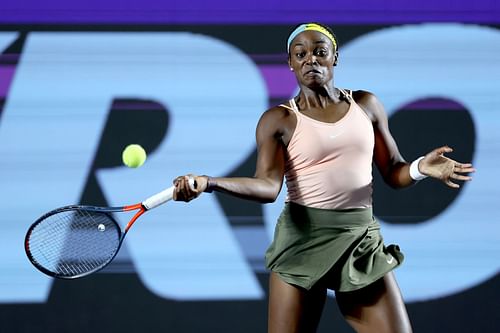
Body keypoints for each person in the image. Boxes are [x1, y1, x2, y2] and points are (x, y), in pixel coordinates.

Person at [172, 23, 475, 333]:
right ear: (290, 63)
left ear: (335, 58)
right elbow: (267, 187)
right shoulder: (279, 119)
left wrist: (419, 168)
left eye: (319, 52)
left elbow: (393, 172)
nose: (310, 60)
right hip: (301, 242)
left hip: (360, 241)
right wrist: (209, 183)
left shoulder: (366, 105)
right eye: (300, 54)